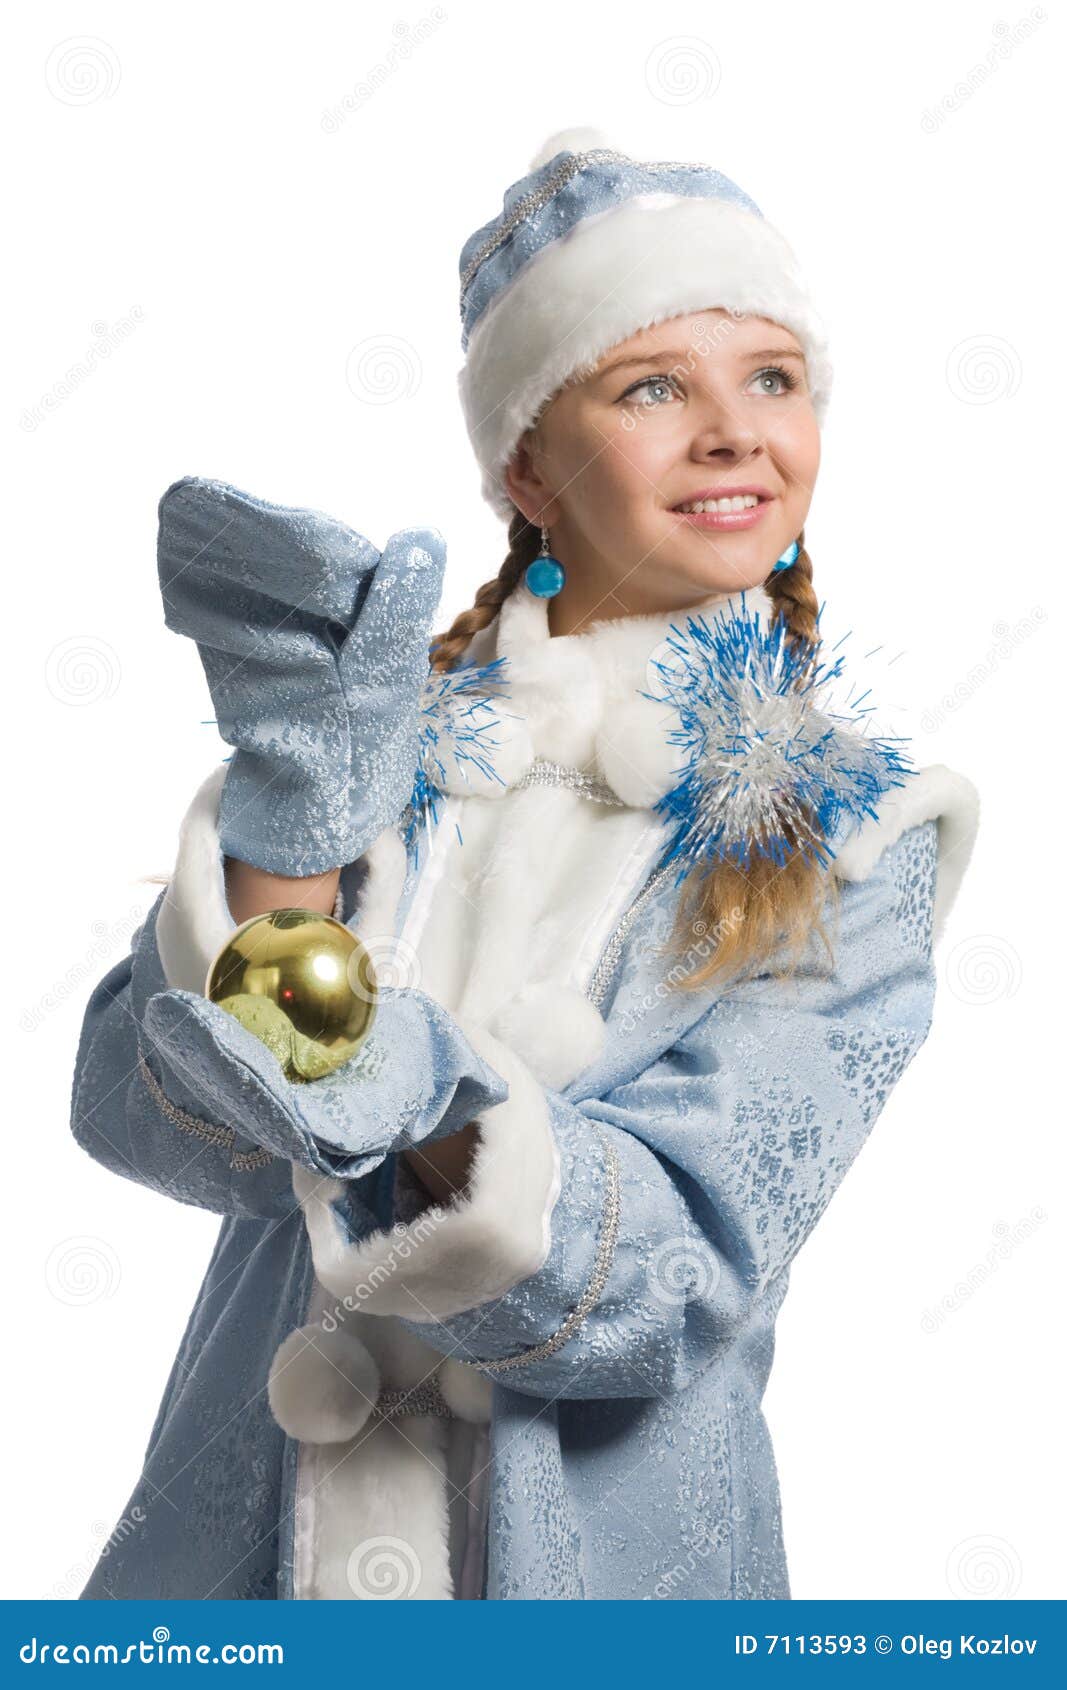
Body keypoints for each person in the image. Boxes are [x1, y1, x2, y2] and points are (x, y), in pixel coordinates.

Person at [70, 127, 979, 1601]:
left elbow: (675, 1277)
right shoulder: (375, 750)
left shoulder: (849, 842)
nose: (737, 428)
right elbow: (142, 1121)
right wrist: (288, 842)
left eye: (773, 376)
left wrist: (409, 1082)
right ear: (528, 467)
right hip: (244, 1567)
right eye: (654, 385)